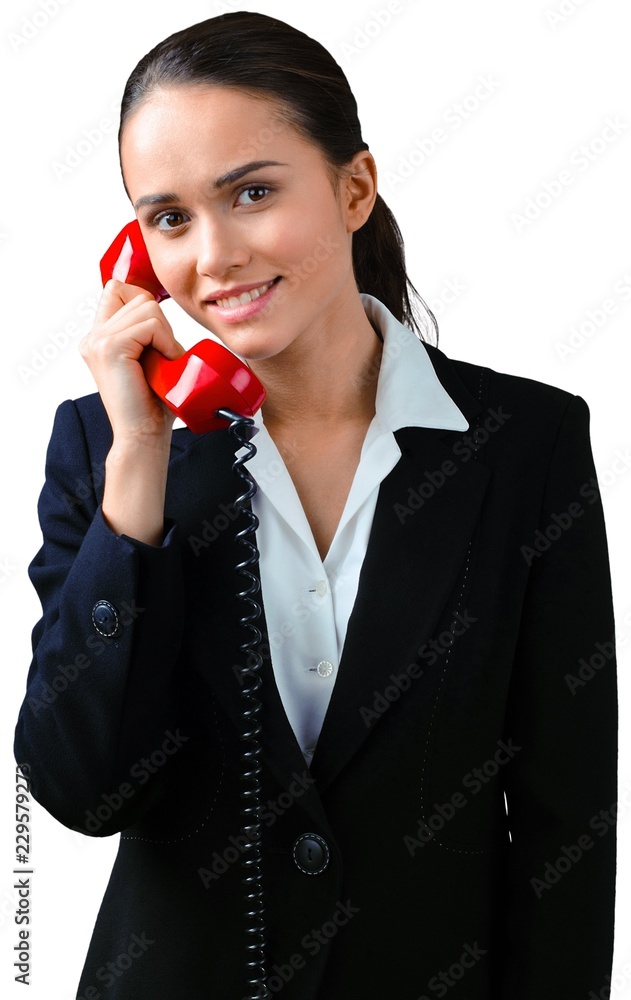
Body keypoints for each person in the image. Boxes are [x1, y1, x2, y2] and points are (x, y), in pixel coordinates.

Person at [14, 11, 618, 1000]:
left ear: (353, 189)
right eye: (167, 217)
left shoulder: (527, 445)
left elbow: (566, 819)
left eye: (251, 192)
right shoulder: (109, 448)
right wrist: (141, 460)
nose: (212, 256)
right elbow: (84, 791)